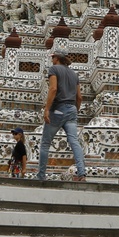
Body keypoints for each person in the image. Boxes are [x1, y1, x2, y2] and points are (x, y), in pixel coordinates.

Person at [35, 49, 86, 181]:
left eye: (53, 57)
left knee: (46, 143)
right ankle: (82, 173)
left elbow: (53, 89)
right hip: (72, 109)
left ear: (57, 58)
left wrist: (47, 109)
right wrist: (75, 110)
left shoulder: (54, 69)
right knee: (74, 141)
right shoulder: (74, 75)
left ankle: (41, 175)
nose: (52, 60)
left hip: (58, 109)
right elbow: (79, 97)